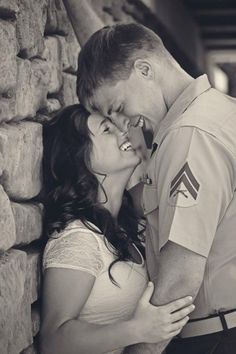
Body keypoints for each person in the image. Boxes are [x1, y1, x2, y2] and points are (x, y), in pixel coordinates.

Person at [71, 22, 236, 354]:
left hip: (214, 339)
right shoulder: (221, 109)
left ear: (144, 69)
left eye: (117, 108)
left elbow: (180, 277)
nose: (123, 124)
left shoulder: (190, 136)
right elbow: (112, 45)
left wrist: (142, 350)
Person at [40, 104, 194, 354]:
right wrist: (137, 330)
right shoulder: (79, 238)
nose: (123, 130)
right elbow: (53, 340)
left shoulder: (127, 223)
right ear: (81, 157)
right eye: (106, 129)